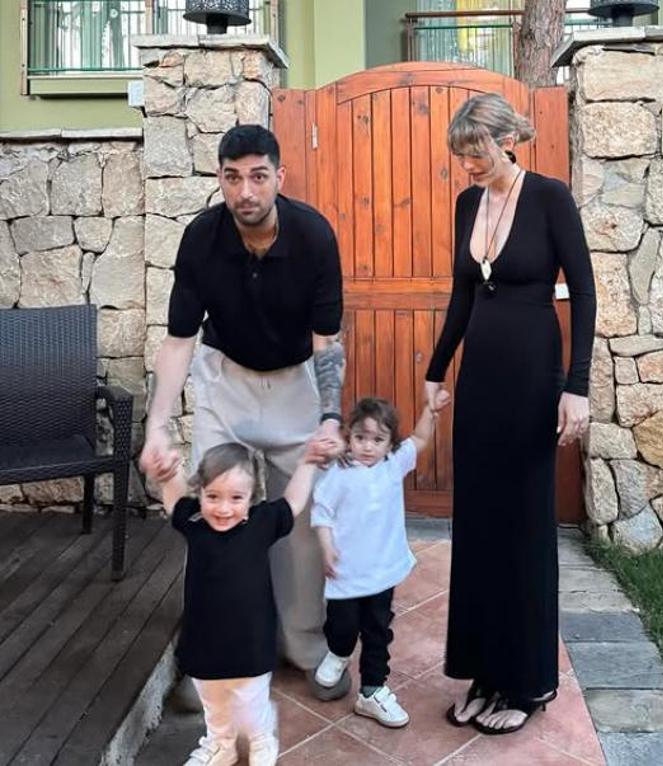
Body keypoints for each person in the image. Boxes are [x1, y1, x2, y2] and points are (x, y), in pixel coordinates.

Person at [139, 124, 348, 700]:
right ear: (220, 179)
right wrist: (157, 425)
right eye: (233, 178)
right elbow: (179, 341)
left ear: (280, 176)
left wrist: (331, 416)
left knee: (299, 525)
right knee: (214, 515)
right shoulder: (200, 238)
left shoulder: (314, 236)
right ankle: (210, 656)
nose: (245, 191)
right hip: (225, 381)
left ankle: (303, 644)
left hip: (295, 384)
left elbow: (327, 341)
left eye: (258, 176)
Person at [423, 93, 596, 735]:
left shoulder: (550, 198)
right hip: (481, 382)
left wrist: (576, 387)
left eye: (477, 153)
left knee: (523, 526)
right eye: (462, 156)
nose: (468, 166)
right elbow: (462, 293)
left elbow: (584, 291)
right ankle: (483, 672)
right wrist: (436, 371)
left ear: (506, 141)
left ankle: (525, 683)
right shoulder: (468, 204)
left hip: (532, 378)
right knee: (479, 526)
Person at [154, 437, 335, 766]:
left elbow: (293, 502)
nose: (223, 509)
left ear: (252, 497)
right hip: (204, 639)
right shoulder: (194, 521)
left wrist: (308, 463)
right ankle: (220, 744)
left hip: (250, 639)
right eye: (213, 497)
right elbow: (175, 503)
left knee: (249, 704)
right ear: (200, 492)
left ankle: (262, 737)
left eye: (236, 498)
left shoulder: (261, 522)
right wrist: (168, 476)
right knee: (213, 700)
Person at [309, 394, 451, 728]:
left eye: (377, 439)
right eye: (361, 437)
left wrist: (429, 410)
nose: (368, 447)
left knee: (377, 630)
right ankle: (339, 651)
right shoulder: (340, 472)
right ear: (349, 437)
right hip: (345, 571)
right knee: (342, 624)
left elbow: (419, 439)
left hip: (381, 571)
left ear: (390, 443)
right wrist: (326, 546)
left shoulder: (393, 464)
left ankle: (372, 690)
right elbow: (322, 511)